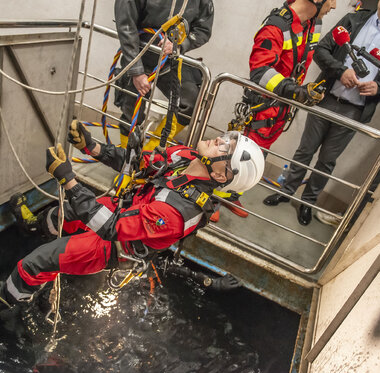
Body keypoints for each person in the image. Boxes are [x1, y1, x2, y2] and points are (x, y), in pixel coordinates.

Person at [0, 121, 264, 311]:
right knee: (65, 214)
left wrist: (69, 181)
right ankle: (34, 226)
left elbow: (110, 229)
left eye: (224, 148)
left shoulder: (177, 213)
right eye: (226, 139)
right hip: (124, 208)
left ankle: (8, 299)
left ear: (220, 176)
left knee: (37, 262)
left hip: (114, 244)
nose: (218, 140)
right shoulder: (185, 156)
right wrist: (91, 147)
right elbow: (142, 165)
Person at [211, 0, 336, 222]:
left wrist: (300, 92)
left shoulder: (311, 25)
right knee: (238, 153)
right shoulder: (276, 27)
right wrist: (296, 91)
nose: (334, 5)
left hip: (280, 107)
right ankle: (211, 200)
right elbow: (260, 71)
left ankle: (231, 195)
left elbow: (304, 57)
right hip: (263, 107)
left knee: (257, 156)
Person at [263, 1, 380, 226]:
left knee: (327, 161)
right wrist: (340, 71)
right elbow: (321, 49)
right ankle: (286, 192)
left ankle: (308, 202)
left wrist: (378, 88)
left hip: (354, 111)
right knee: (305, 150)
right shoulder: (354, 20)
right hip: (325, 98)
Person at [114, 0, 214, 149]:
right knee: (132, 110)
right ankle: (125, 158)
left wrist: (181, 43)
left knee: (191, 104)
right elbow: (126, 26)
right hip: (140, 53)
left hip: (172, 59)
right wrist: (136, 70)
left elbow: (203, 29)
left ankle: (150, 153)